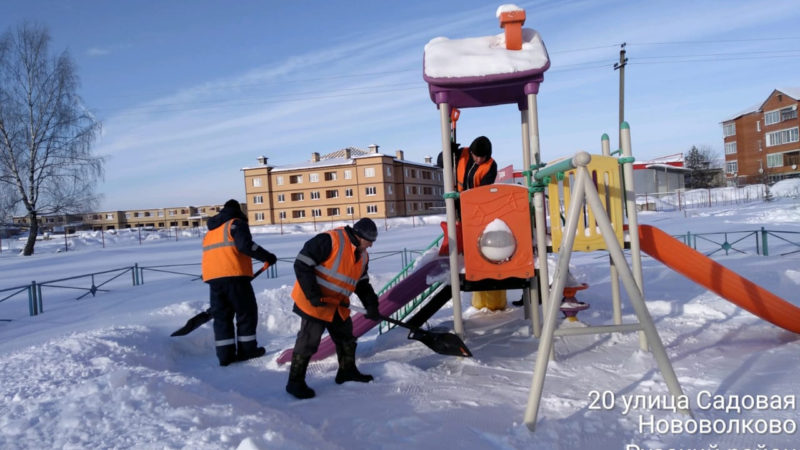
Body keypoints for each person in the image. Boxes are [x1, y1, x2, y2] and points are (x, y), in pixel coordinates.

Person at [285, 218, 381, 399]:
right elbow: (301, 263)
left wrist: (371, 304)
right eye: (369, 242)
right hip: (315, 301)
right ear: (359, 236)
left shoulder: (363, 256)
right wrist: (312, 294)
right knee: (308, 341)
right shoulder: (331, 240)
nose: (370, 246)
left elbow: (362, 283)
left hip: (337, 303)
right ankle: (294, 382)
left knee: (346, 338)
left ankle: (347, 372)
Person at [201, 199, 277, 366]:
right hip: (234, 276)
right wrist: (267, 256)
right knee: (246, 313)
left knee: (222, 317)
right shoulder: (235, 224)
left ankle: (225, 356)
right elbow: (245, 245)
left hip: (213, 279)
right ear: (238, 211)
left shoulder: (211, 231)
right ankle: (247, 350)